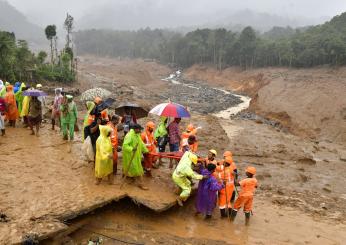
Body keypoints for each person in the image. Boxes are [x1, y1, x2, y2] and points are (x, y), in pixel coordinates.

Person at [122, 123, 149, 190]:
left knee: (133, 169)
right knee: (138, 170)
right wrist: (131, 149)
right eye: (139, 129)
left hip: (136, 155)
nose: (140, 131)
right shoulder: (129, 135)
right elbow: (125, 146)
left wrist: (146, 150)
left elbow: (141, 143)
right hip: (130, 155)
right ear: (136, 129)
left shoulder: (137, 135)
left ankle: (130, 180)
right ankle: (141, 184)